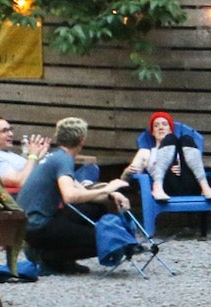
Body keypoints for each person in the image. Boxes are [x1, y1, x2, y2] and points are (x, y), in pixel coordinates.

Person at [14, 117, 129, 274]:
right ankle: (48, 257)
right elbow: (70, 196)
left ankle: (59, 258)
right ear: (81, 140)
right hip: (38, 228)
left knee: (96, 207)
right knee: (106, 240)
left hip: (31, 225)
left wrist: (111, 195)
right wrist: (106, 190)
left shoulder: (57, 156)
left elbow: (80, 190)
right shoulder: (63, 160)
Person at [139, 112, 211, 203]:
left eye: (164, 124)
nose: (161, 127)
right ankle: (157, 187)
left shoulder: (182, 150)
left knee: (186, 139)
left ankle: (205, 187)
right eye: (156, 125)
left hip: (189, 185)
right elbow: (133, 172)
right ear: (152, 132)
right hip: (166, 189)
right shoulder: (147, 152)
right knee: (170, 139)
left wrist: (183, 167)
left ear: (170, 129)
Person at [0, 116, 39, 192]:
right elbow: (18, 181)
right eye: (4, 131)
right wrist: (33, 156)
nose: (11, 134)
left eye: (10, 130)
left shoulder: (9, 154)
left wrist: (37, 157)